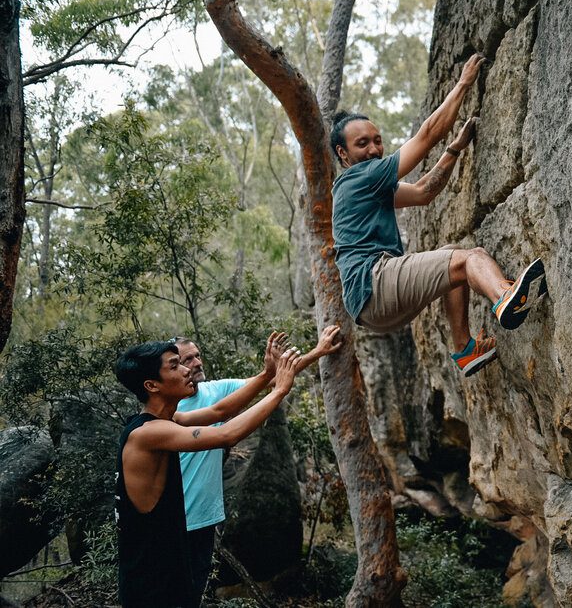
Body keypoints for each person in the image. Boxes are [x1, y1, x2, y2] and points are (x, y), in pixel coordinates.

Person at [331, 53, 547, 378]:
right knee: (470, 258)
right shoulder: (359, 177)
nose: (374, 150)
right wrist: (463, 83)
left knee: (450, 258)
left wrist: (455, 149)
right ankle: (505, 297)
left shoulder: (363, 188)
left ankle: (465, 349)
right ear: (342, 153)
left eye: (377, 141)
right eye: (362, 144)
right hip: (374, 285)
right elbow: (427, 134)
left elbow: (422, 192)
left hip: (373, 308)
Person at [113, 339, 302, 608]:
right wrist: (279, 390)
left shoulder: (166, 421)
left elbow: (219, 411)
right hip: (152, 583)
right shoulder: (148, 433)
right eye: (175, 366)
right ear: (151, 385)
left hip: (166, 571)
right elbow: (227, 434)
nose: (187, 370)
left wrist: (267, 375)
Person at [172, 326, 342, 601]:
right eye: (187, 359)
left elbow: (274, 378)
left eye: (198, 356)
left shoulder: (215, 390)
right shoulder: (170, 410)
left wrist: (319, 351)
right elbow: (223, 420)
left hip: (204, 519)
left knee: (194, 592)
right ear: (172, 368)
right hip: (173, 522)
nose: (197, 362)